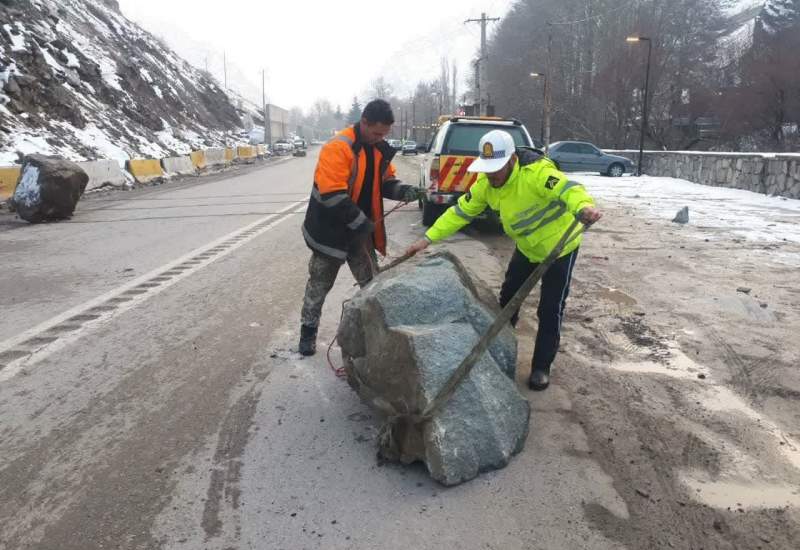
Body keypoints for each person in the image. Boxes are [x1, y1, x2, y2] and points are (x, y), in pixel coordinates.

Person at [405, 130, 602, 391]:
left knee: (550, 309)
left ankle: (541, 367)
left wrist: (583, 208)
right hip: (527, 248)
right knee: (508, 300)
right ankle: (500, 351)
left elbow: (570, 190)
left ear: (511, 160)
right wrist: (427, 239)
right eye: (488, 169)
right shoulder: (485, 185)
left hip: (560, 249)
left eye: (496, 168)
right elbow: (459, 213)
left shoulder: (537, 174)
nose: (492, 175)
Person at [299, 99, 418, 356]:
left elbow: (386, 182)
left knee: (373, 284)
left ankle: (378, 335)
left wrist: (404, 190)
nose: (379, 138)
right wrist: (362, 223)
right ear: (364, 122)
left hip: (358, 234)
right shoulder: (338, 148)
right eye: (376, 133)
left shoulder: (377, 149)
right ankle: (307, 334)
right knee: (319, 284)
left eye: (384, 134)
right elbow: (332, 196)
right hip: (329, 232)